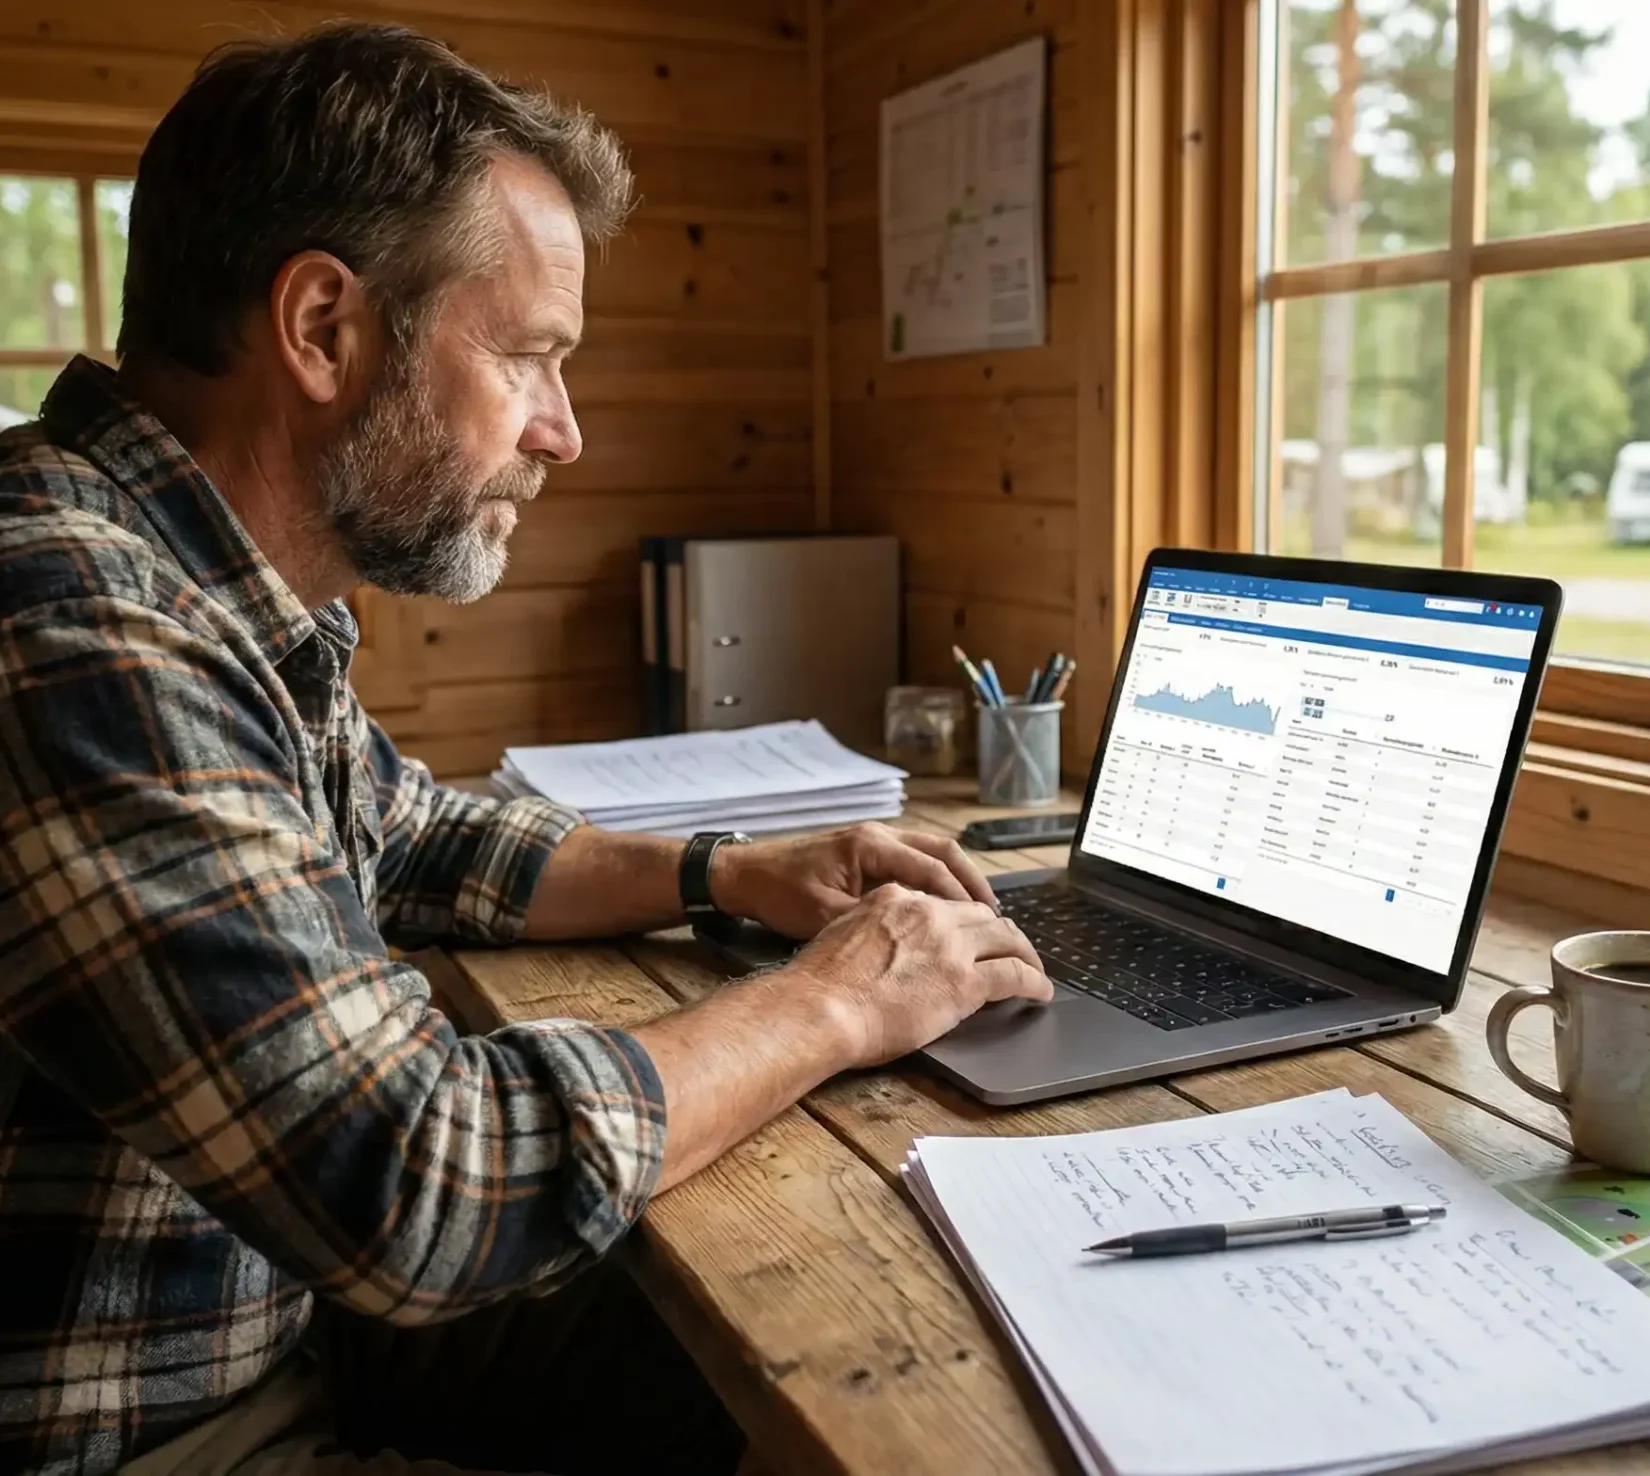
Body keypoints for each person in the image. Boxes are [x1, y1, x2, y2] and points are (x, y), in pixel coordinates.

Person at [0, 22, 1051, 1476]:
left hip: (259, 1318)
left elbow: (409, 831)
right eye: (529, 357)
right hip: (136, 1428)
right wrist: (837, 1002)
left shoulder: (195, 577)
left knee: (827, 1357)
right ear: (320, 328)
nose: (564, 432)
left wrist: (733, 872)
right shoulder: (67, 619)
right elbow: (422, 1184)